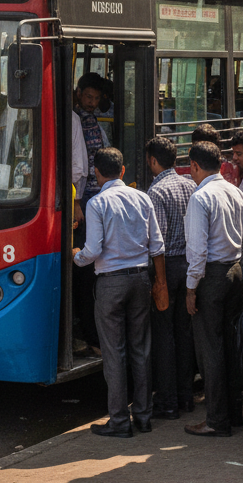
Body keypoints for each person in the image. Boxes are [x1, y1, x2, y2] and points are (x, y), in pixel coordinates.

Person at [73, 148, 169, 438]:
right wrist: (159, 282)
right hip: (141, 278)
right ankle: (143, 416)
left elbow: (93, 251)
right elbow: (158, 246)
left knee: (114, 353)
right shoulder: (142, 197)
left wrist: (75, 255)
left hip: (111, 283)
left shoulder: (96, 203)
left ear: (97, 174)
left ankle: (119, 421)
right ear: (123, 171)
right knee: (141, 349)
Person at [184, 142, 243, 437]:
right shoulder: (235, 191)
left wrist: (190, 288)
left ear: (196, 166)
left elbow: (198, 251)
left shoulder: (201, 197)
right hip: (235, 272)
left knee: (210, 349)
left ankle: (216, 419)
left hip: (211, 276)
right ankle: (233, 413)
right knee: (229, 344)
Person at [146, 136, 198, 420]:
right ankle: (186, 397)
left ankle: (167, 402)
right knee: (184, 332)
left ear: (153, 161)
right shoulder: (191, 184)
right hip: (189, 266)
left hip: (167, 267)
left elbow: (158, 242)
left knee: (164, 336)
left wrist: (159, 280)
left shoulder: (157, 191)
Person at [73, 72, 112, 354]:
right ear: (78, 93)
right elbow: (78, 166)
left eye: (96, 99)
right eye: (88, 97)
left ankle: (93, 335)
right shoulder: (74, 119)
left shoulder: (93, 121)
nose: (91, 102)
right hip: (83, 199)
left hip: (94, 199)